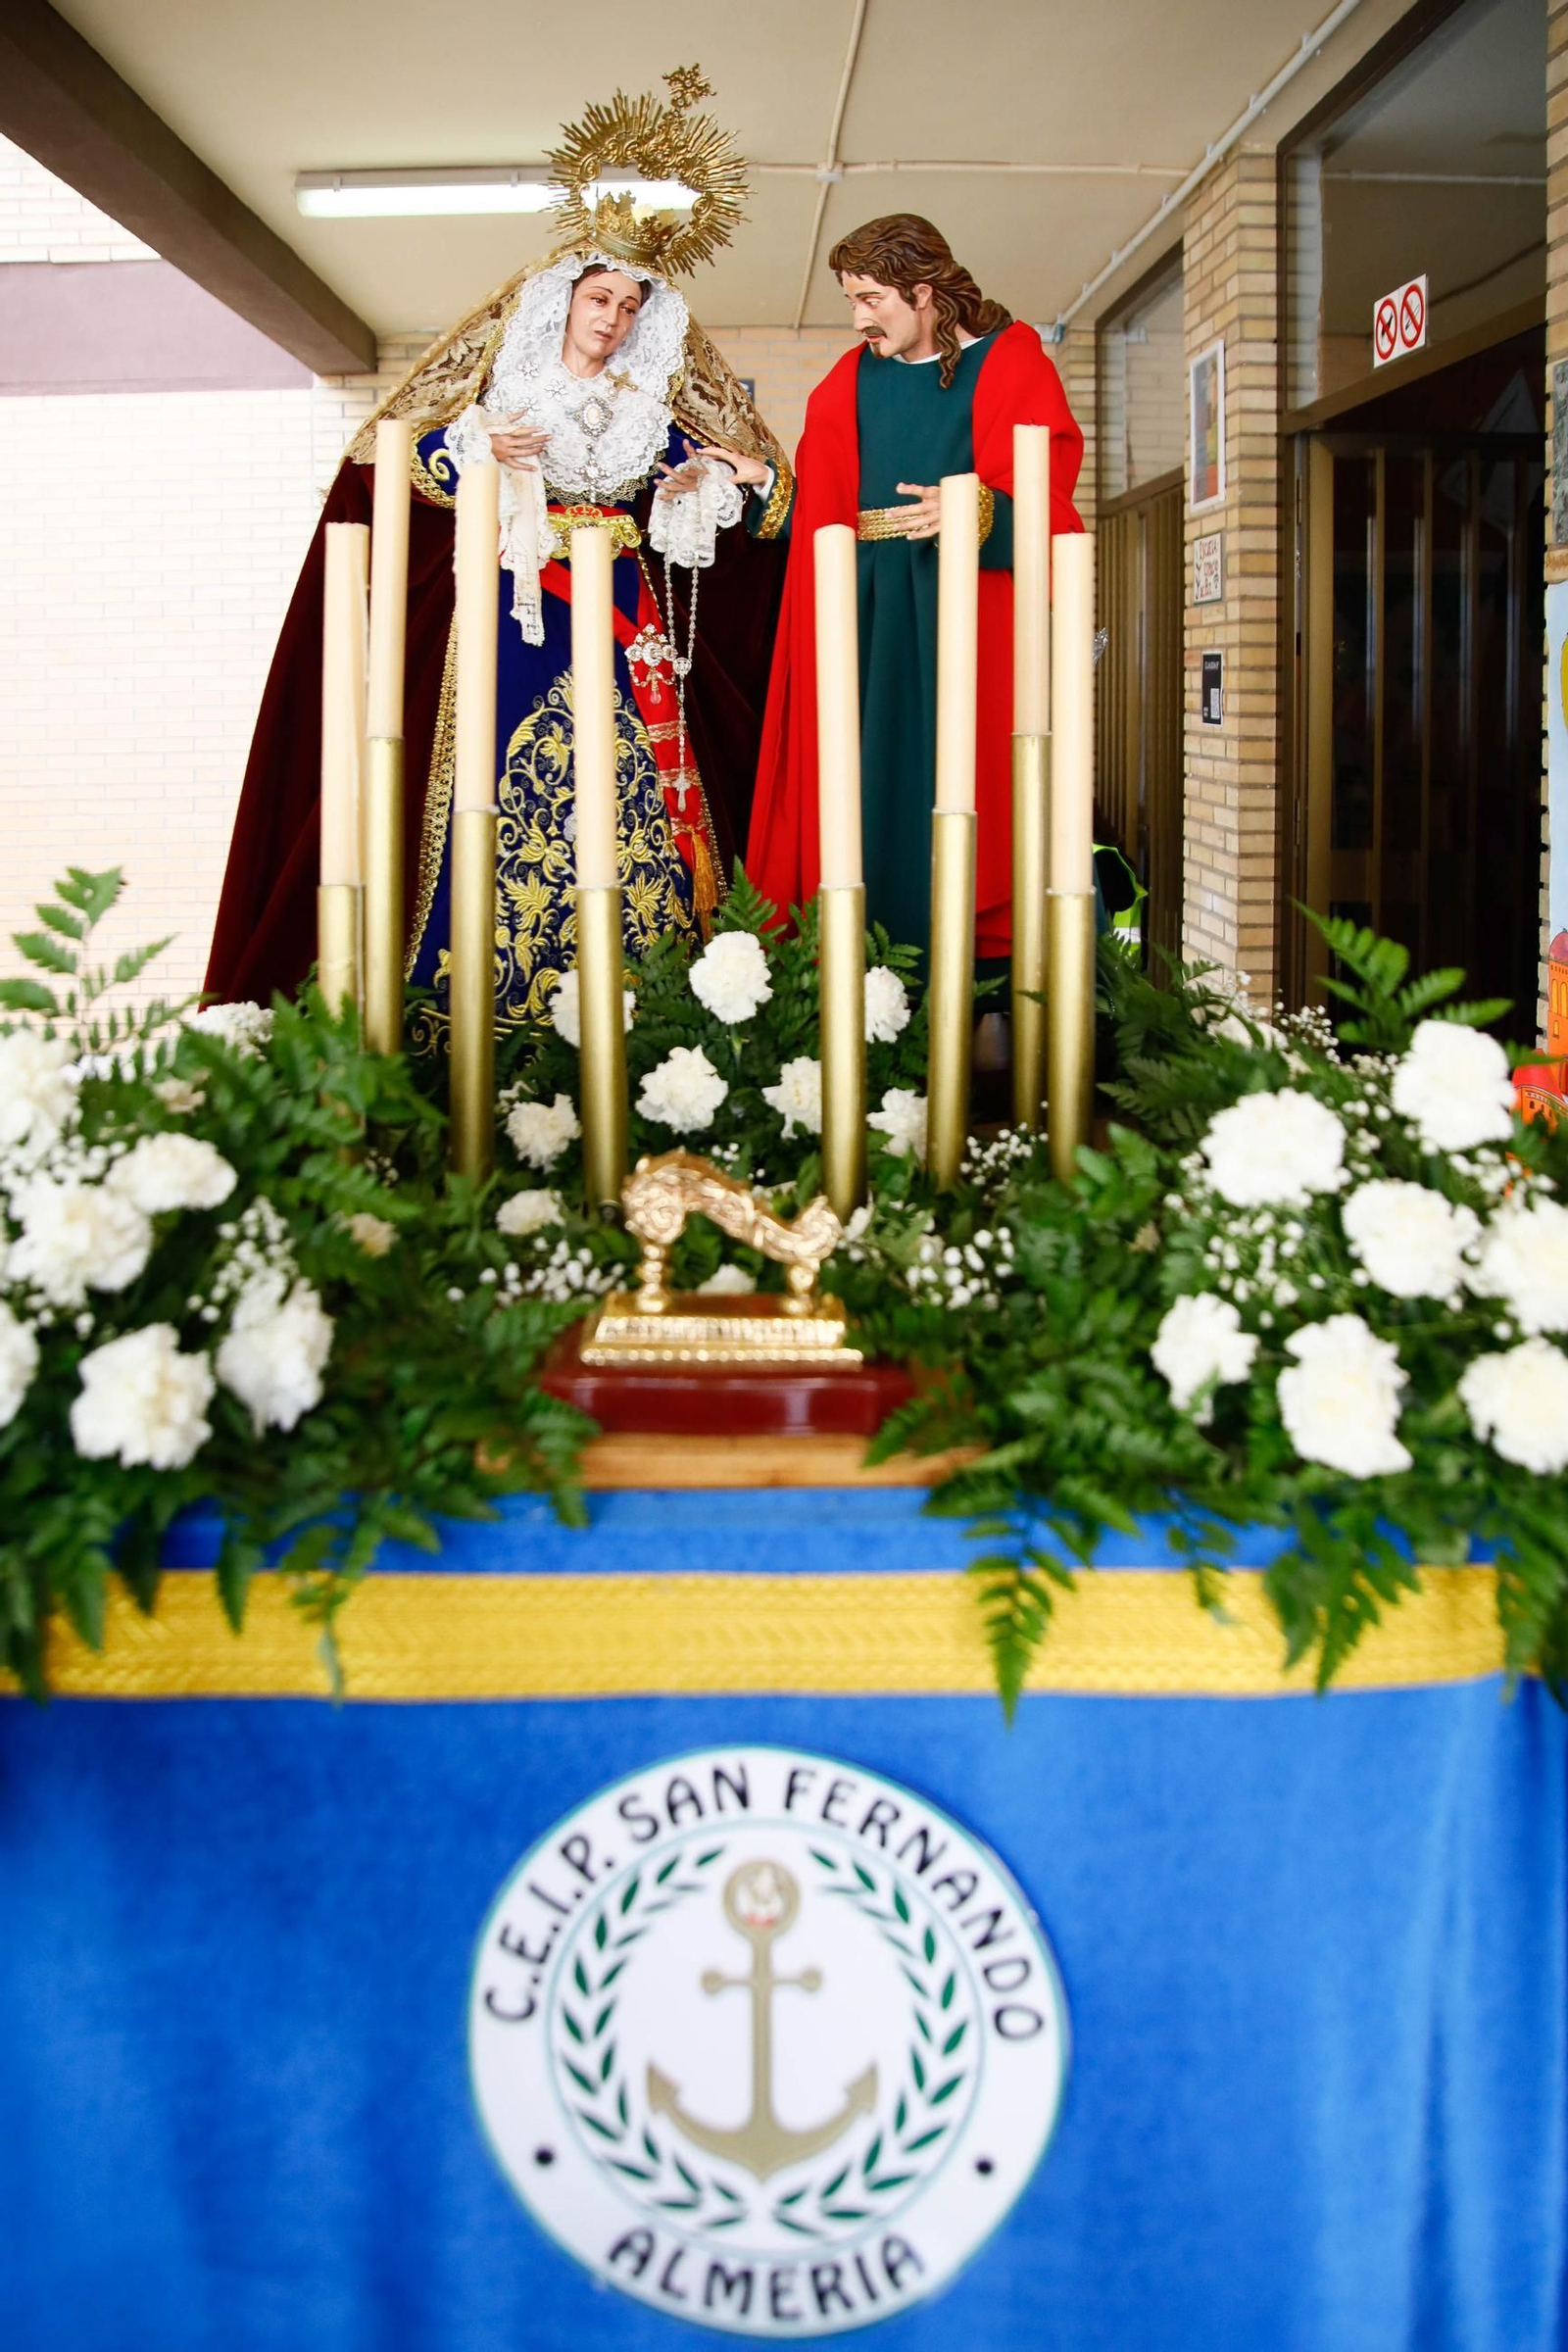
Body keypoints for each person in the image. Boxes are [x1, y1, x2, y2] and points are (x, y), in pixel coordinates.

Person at [205, 78, 789, 1039]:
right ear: (564, 300)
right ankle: (468, 1006)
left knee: (641, 788)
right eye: (599, 297)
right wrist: (475, 448)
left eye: (629, 305)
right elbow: (389, 465)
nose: (612, 318)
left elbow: (732, 498)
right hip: (520, 611)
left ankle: (651, 1007)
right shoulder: (504, 392)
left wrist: (722, 483)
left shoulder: (651, 410)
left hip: (626, 617)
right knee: (489, 776)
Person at [691, 214, 1084, 958]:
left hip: (958, 609)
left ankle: (967, 952)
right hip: (863, 617)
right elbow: (828, 510)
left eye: (871, 299)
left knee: (955, 778)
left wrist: (977, 509)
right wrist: (766, 483)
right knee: (863, 786)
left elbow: (1047, 493)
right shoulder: (851, 378)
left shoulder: (1010, 361)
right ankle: (860, 958)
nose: (858, 318)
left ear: (923, 291)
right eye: (851, 300)